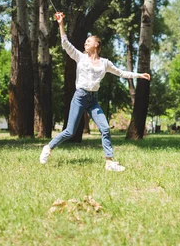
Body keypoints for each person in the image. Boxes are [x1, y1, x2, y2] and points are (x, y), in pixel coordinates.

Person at [39, 12, 150, 171]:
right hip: (80, 97)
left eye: (89, 41)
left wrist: (139, 75)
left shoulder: (105, 63)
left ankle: (109, 162)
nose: (85, 42)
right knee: (70, 131)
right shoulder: (80, 57)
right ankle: (48, 148)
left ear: (97, 44)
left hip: (93, 100)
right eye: (85, 41)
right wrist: (61, 24)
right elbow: (65, 43)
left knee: (105, 128)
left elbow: (121, 73)